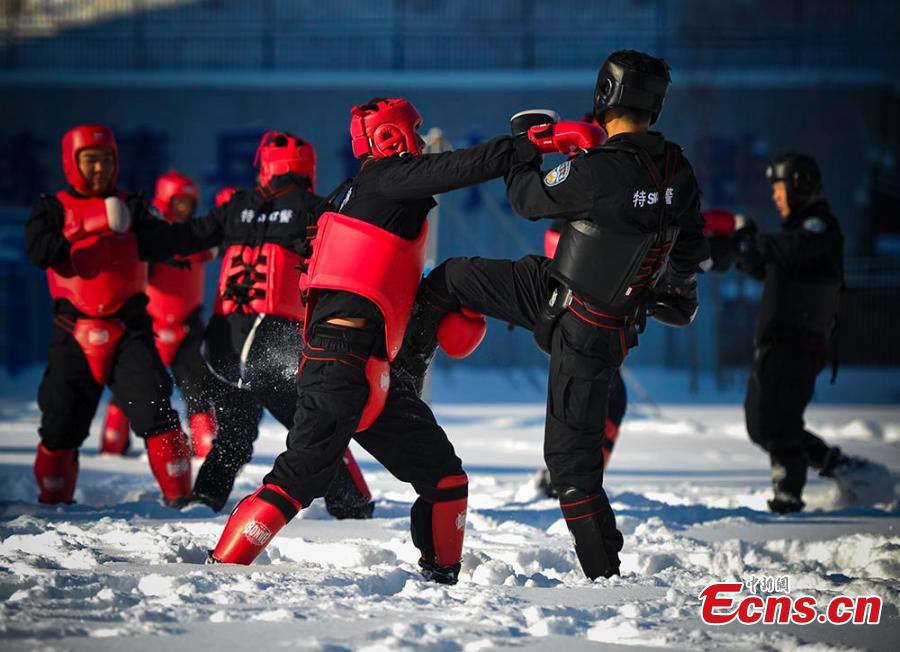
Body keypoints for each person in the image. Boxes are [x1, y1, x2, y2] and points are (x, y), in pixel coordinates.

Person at [394, 50, 710, 580]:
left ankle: (605, 574)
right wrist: (678, 288)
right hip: (573, 298)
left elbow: (527, 199)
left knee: (570, 469)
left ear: (606, 94)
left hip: (583, 326)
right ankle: (403, 385)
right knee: (454, 278)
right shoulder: (677, 167)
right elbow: (692, 242)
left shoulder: (601, 170)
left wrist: (527, 144)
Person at [209, 98, 529, 585]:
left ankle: (441, 578)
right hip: (339, 362)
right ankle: (221, 568)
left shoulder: (348, 195)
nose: (421, 142)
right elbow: (466, 165)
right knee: (302, 475)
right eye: (413, 132)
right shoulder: (385, 177)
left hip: (371, 366)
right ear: (388, 138)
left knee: (445, 477)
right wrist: (530, 144)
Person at [133, 132, 374, 519]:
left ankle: (206, 497)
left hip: (224, 341)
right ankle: (351, 500)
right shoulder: (316, 210)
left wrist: (138, 229)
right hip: (272, 342)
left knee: (235, 433)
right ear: (306, 169)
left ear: (265, 166)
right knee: (310, 429)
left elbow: (180, 238)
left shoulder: (235, 207)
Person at [705, 153, 892, 512]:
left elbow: (788, 249)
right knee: (761, 424)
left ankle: (788, 497)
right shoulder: (795, 235)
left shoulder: (820, 229)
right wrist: (736, 248)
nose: (776, 196)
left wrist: (747, 244)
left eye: (780, 188)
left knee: (779, 423)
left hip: (797, 345)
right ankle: (841, 468)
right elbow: (768, 265)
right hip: (776, 343)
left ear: (800, 185)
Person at [25, 124, 194, 507]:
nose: (100, 169)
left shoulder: (134, 206)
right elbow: (41, 252)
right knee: (59, 425)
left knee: (158, 414)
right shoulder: (51, 208)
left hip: (129, 329)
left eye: (106, 160)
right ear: (72, 163)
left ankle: (182, 504)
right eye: (90, 161)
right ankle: (52, 508)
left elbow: (162, 239)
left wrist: (191, 239)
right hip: (72, 331)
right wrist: (93, 223)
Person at [101, 170, 218, 457]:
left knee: (198, 386)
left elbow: (213, 247)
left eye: (188, 203)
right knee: (134, 385)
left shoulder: (194, 236)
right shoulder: (149, 236)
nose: (184, 208)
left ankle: (205, 446)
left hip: (188, 324)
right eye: (178, 202)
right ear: (165, 200)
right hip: (149, 323)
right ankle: (112, 443)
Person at [538, 219, 628, 497]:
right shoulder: (578, 208)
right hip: (578, 307)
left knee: (603, 395)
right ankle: (571, 480)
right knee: (591, 392)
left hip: (587, 304)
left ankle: (576, 478)